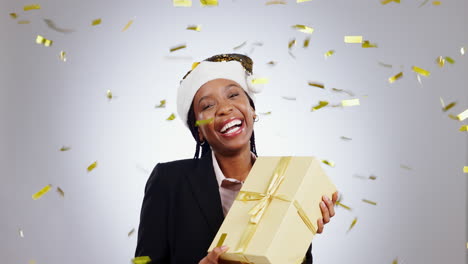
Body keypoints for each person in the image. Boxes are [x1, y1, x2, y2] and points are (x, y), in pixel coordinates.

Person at [135, 53, 338, 263]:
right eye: (207, 106)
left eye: (233, 95)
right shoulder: (169, 180)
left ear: (252, 109)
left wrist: (301, 230)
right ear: (199, 132)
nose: (224, 108)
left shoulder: (286, 182)